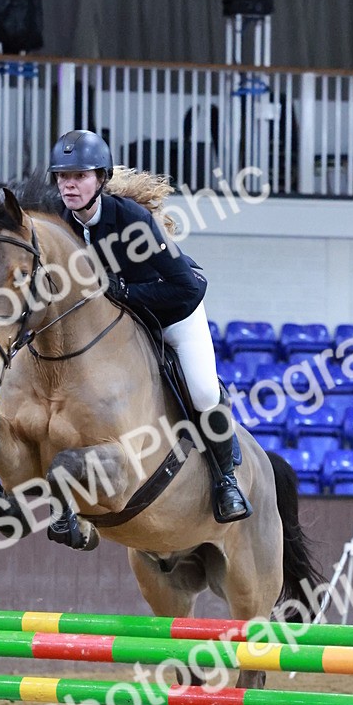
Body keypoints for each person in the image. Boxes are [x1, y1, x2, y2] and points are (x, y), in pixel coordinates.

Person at [48, 128, 251, 523]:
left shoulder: (132, 220)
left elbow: (185, 289)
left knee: (205, 392)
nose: (69, 185)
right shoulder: (59, 224)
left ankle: (226, 479)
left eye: (80, 176)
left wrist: (123, 294)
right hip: (116, 326)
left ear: (101, 179)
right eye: (62, 177)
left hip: (171, 311)